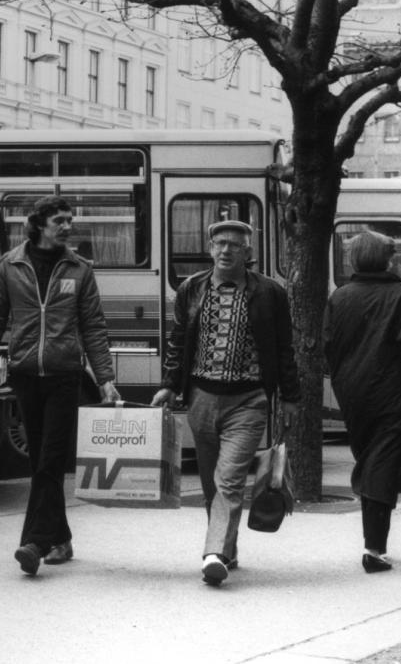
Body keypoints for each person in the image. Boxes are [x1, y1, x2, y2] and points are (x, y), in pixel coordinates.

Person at [0, 195, 119, 576]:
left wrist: (106, 379)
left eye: (69, 220)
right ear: (39, 224)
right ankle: (60, 537)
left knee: (49, 460)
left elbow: (94, 326)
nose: (67, 226)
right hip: (25, 375)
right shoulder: (9, 266)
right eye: (60, 220)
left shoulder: (79, 269)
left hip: (65, 376)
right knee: (39, 464)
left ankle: (33, 543)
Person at [152, 219, 300, 587]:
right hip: (201, 397)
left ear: (248, 253)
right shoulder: (192, 289)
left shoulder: (270, 293)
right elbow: (177, 341)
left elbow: (284, 349)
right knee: (209, 485)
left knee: (229, 479)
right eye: (219, 243)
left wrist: (291, 397)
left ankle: (213, 554)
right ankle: (227, 549)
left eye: (235, 245)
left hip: (248, 400)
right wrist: (170, 384)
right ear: (210, 247)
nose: (226, 250)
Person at [323, 231, 401, 573]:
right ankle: (374, 549)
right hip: (394, 395)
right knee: (380, 465)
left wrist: (342, 382)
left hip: (352, 393)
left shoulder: (340, 297)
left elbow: (329, 349)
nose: (394, 261)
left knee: (369, 459)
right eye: (391, 255)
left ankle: (375, 543)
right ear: (384, 259)